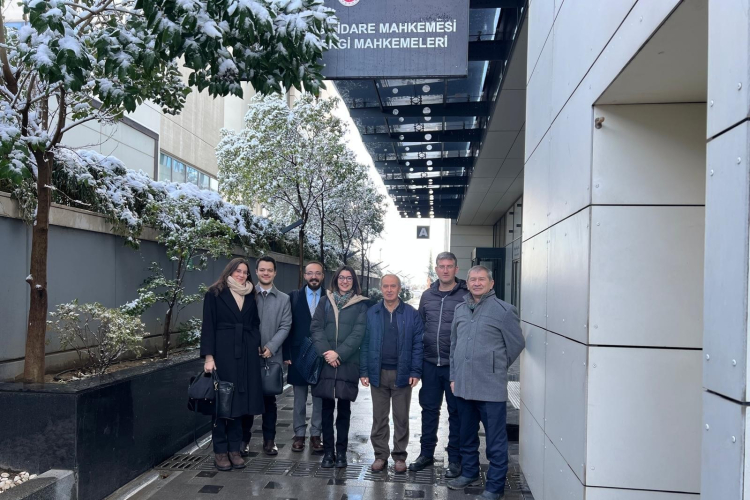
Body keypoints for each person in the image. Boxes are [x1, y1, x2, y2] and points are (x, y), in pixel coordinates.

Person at [447, 265, 525, 500]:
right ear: (467, 283)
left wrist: (495, 365)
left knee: (495, 441)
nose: (477, 283)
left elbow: (516, 344)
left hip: (490, 387)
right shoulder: (460, 309)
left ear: (491, 283)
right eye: (473, 279)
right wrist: (453, 376)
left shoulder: (504, 311)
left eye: (482, 279)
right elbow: (454, 346)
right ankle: (469, 473)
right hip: (463, 386)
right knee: (466, 435)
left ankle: (494, 487)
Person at [200, 258, 264, 471]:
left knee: (240, 401)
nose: (241, 275)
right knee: (222, 401)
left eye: (245, 272)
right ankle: (220, 451)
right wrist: (209, 357)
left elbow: (254, 323)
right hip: (223, 354)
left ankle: (235, 449)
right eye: (238, 271)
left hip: (246, 354)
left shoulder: (251, 294)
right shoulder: (214, 293)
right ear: (229, 272)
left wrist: (254, 344)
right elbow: (208, 326)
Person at [409, 251, 468, 478]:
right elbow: (420, 328)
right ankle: (426, 454)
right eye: (441, 266)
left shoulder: (466, 295)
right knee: (429, 410)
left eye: (449, 266)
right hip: (430, 364)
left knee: (456, 412)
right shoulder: (427, 296)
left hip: (455, 366)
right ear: (436, 269)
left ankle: (455, 458)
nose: (445, 270)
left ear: (456, 269)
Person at [360, 274, 423, 473]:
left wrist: (415, 371)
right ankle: (380, 455)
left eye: (393, 286)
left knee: (401, 418)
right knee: (379, 418)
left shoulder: (411, 313)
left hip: (402, 373)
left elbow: (418, 344)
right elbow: (364, 343)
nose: (389, 290)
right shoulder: (372, 313)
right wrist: (364, 371)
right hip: (378, 373)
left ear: (399, 288)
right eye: (385, 286)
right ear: (381, 288)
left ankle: (399, 456)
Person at [310, 265, 369, 469]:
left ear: (354, 281)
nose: (345, 281)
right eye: (341, 278)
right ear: (336, 280)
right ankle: (328, 453)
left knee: (344, 410)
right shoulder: (325, 301)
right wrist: (327, 352)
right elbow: (316, 328)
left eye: (349, 278)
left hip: (347, 363)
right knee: (326, 410)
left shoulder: (360, 305)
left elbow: (359, 333)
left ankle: (341, 453)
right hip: (326, 362)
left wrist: (339, 354)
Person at [241, 256, 292, 456]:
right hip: (248, 356)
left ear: (275, 272)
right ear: (256, 271)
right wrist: (251, 345)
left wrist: (271, 346)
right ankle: (243, 440)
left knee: (269, 401)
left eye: (269, 270)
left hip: (272, 357)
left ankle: (269, 440)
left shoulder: (284, 299)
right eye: (262, 269)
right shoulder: (246, 294)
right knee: (247, 399)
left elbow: (285, 325)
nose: (266, 273)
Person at [282, 261, 326, 453]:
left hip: (322, 354)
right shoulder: (293, 297)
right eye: (310, 273)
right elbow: (286, 325)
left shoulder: (329, 297)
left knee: (319, 398)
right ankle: (299, 434)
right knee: (299, 399)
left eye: (317, 273)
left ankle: (316, 435)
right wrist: (286, 353)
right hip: (298, 354)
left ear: (322, 276)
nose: (313, 276)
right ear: (304, 275)